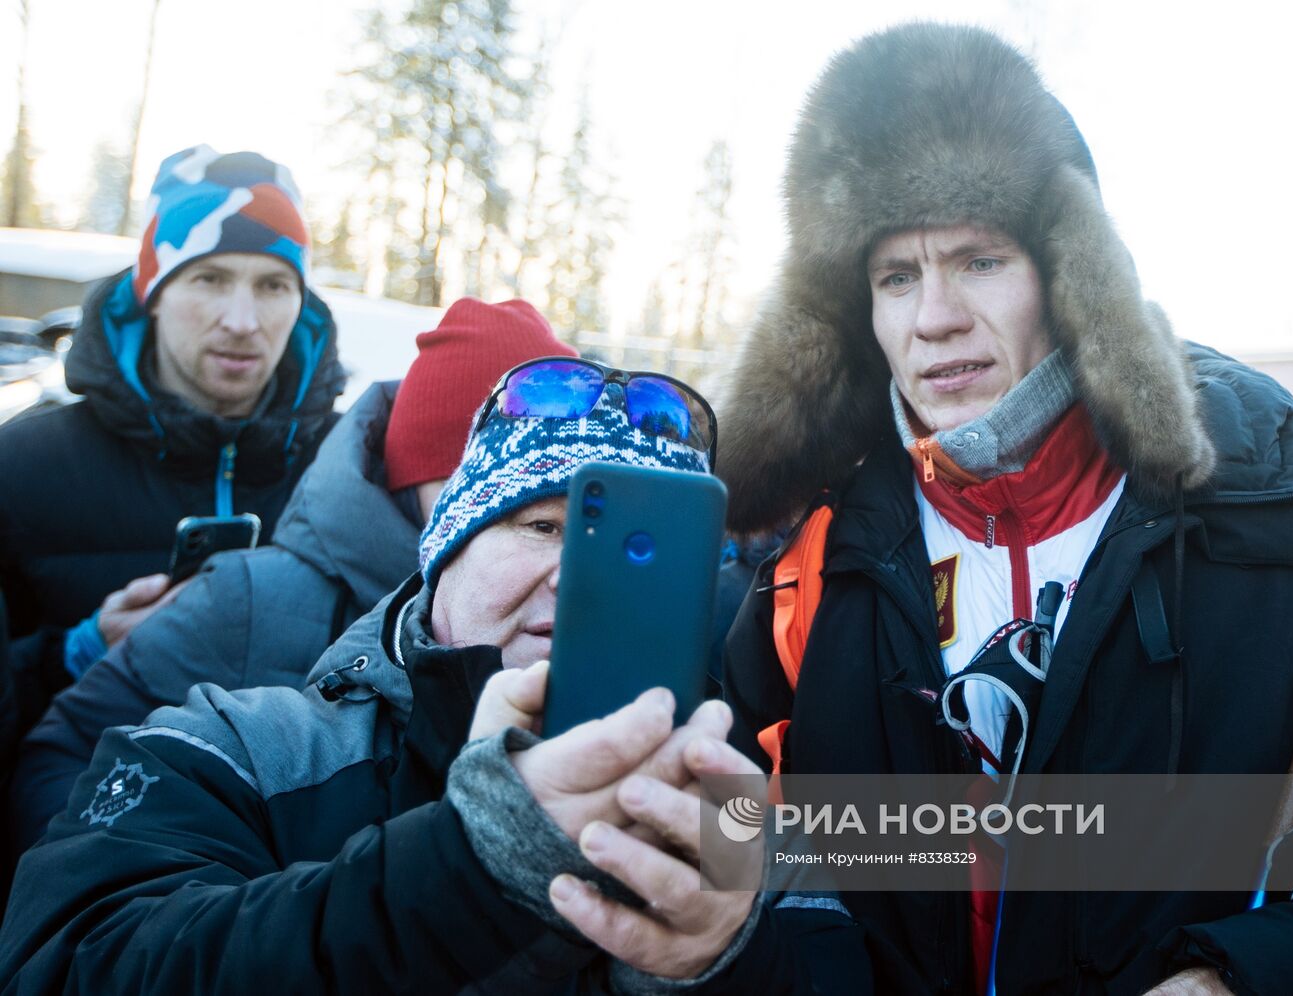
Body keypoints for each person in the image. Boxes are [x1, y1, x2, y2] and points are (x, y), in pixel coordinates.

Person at [715, 23, 1293, 994]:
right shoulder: (809, 572)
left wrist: (1238, 979)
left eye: (978, 259)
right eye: (895, 276)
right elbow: (739, 847)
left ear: (1070, 277)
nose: (934, 316)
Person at [0, 358, 764, 992]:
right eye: (541, 526)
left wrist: (716, 963)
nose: (577, 579)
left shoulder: (751, 792)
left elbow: (861, 953)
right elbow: (73, 961)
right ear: (446, 550)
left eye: (632, 555)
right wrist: (469, 867)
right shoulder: (239, 752)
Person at [3, 298, 575, 862]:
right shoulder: (249, 599)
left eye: (568, 520)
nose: (491, 520)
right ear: (413, 476)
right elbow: (67, 751)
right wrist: (155, 876)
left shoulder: (571, 614)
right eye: (534, 520)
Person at [0, 146, 343, 739]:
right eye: (209, 278)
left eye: (272, 285)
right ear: (152, 291)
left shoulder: (353, 467)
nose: (242, 319)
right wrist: (76, 653)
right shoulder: (21, 466)